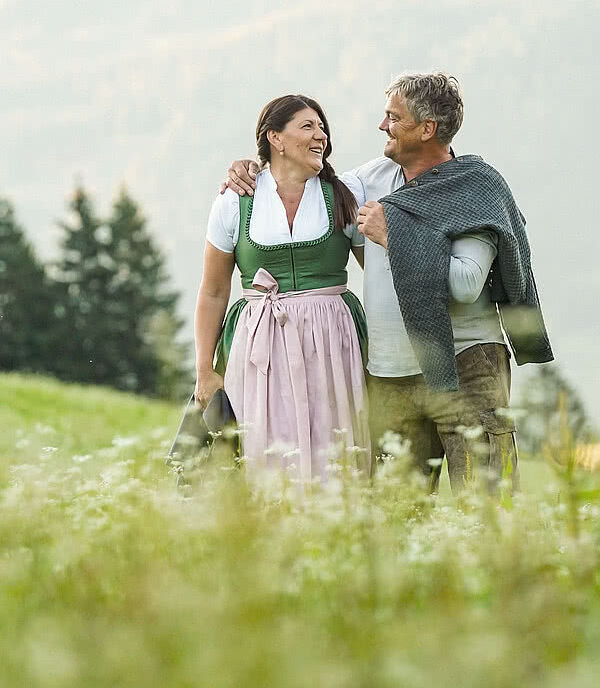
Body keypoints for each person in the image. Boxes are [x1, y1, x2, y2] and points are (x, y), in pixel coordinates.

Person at [223, 73, 553, 494]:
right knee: (396, 514)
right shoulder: (369, 182)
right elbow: (307, 178)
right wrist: (254, 168)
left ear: (426, 129)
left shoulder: (474, 190)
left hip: (466, 363)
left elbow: (468, 284)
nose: (382, 126)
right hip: (391, 372)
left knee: (487, 503)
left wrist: (393, 236)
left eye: (393, 118)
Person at [194, 94, 370, 484]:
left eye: (322, 127)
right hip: (259, 341)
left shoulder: (344, 194)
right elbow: (212, 292)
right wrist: (204, 370)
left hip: (331, 339)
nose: (320, 135)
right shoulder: (233, 200)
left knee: (333, 449)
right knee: (262, 449)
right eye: (307, 126)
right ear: (275, 138)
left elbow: (376, 273)